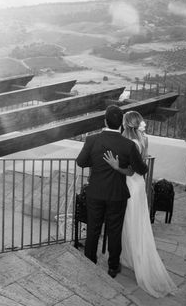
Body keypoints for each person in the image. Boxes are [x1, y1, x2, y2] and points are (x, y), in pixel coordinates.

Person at [103, 111, 177, 298]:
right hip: (136, 185)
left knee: (130, 223)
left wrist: (116, 167)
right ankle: (127, 256)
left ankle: (135, 258)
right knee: (131, 222)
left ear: (125, 124)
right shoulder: (141, 140)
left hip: (130, 185)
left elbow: (133, 170)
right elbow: (140, 167)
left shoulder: (129, 143)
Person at [76, 105, 148, 278]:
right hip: (117, 194)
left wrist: (96, 162)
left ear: (105, 121)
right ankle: (113, 267)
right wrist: (125, 167)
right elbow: (142, 169)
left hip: (96, 192)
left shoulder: (92, 140)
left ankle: (90, 261)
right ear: (120, 125)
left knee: (93, 229)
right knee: (115, 231)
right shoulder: (128, 145)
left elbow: (80, 162)